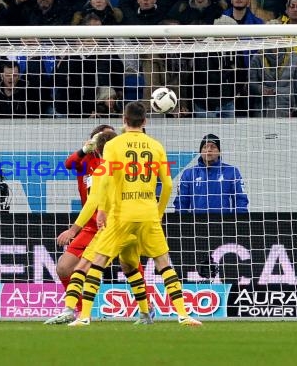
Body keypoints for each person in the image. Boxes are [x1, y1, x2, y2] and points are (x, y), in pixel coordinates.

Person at [68, 101, 202, 327]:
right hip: (148, 213)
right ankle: (182, 314)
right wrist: (158, 212)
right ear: (145, 121)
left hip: (121, 214)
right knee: (163, 264)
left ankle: (84, 316)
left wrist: (101, 211)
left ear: (124, 120)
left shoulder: (113, 145)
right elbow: (167, 185)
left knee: (98, 262)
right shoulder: (156, 146)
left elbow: (107, 179)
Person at [45, 129, 155, 325]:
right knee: (64, 267)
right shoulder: (85, 161)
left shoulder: (118, 163)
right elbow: (69, 164)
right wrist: (83, 149)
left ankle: (147, 308)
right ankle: (76, 311)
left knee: (128, 266)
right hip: (90, 227)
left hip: (117, 224)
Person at [174, 134, 249, 214]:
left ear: (219, 152)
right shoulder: (189, 174)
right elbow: (181, 203)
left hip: (224, 224)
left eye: (213, 147)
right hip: (197, 224)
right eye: (205, 147)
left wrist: (240, 224)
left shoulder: (231, 172)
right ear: (200, 151)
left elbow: (240, 200)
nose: (209, 150)